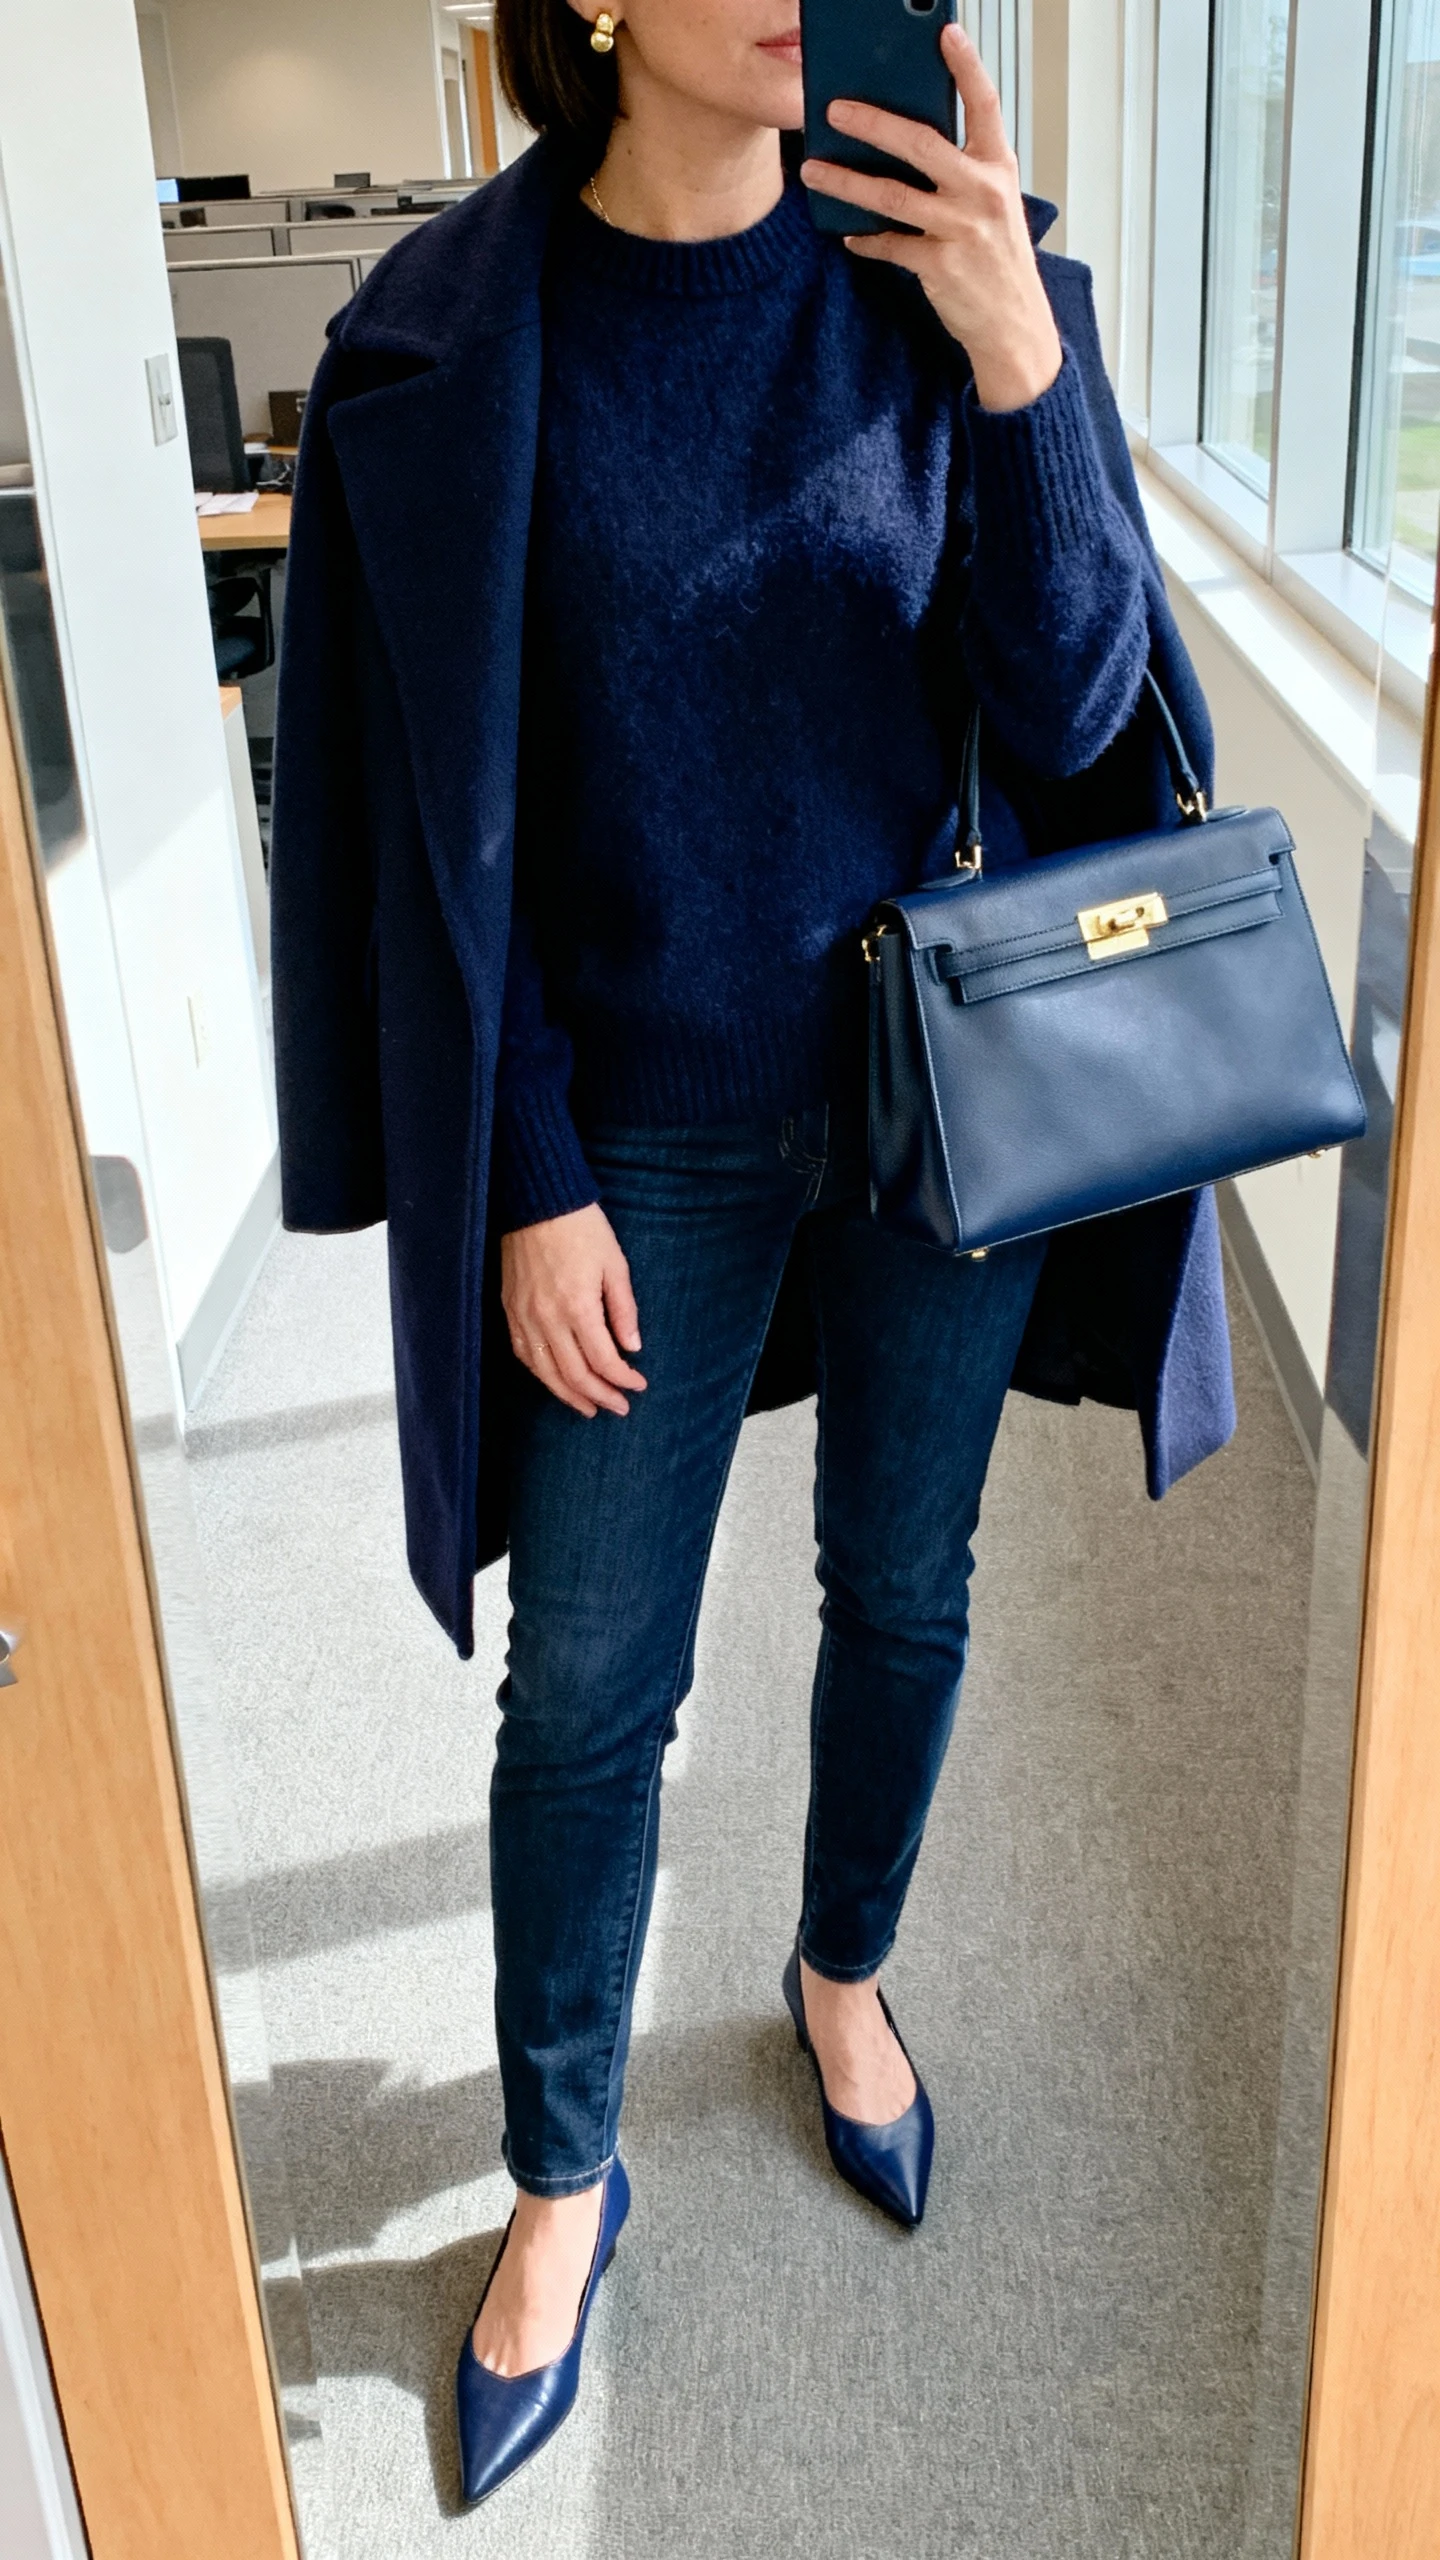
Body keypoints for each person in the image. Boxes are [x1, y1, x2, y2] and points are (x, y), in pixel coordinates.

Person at [268, 0, 1235, 2511]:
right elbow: (424, 841)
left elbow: (1089, 697)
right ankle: (565, 2174)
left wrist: (1024, 360)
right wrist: (523, 1173)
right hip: (630, 1135)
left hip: (943, 1084)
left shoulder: (946, 279)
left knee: (903, 1583)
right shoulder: (453, 342)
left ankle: (838, 1975)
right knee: (590, 1683)